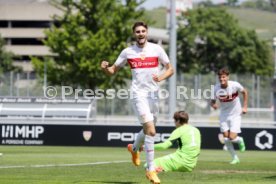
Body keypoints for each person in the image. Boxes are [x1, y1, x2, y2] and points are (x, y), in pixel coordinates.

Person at [101, 21, 174, 184]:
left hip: (154, 95)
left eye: (143, 31)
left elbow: (170, 69)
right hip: (138, 95)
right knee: (151, 131)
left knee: (148, 129)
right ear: (134, 34)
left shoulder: (156, 49)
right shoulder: (128, 52)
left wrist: (160, 77)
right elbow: (112, 71)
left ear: (147, 32)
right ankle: (150, 170)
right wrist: (105, 68)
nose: (140, 34)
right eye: (137, 32)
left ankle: (134, 149)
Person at [211, 68, 248, 164]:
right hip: (224, 114)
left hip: (236, 114)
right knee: (226, 138)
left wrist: (244, 107)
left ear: (228, 77)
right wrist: (213, 105)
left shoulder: (235, 85)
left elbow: (245, 92)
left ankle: (240, 140)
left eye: (223, 77)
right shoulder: (216, 88)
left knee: (232, 137)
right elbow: (212, 101)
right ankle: (235, 158)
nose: (222, 79)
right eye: (220, 77)